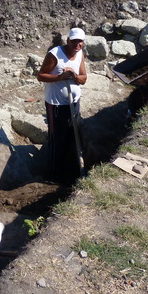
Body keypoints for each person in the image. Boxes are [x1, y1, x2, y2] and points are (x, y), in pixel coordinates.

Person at [37, 28, 88, 183]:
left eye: (80, 42)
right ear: (68, 41)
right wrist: (60, 77)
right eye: (74, 41)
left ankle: (70, 167)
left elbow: (84, 78)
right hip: (56, 105)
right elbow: (40, 76)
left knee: (72, 134)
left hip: (73, 102)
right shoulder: (55, 54)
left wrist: (74, 76)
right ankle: (53, 174)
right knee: (56, 138)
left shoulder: (79, 53)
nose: (77, 45)